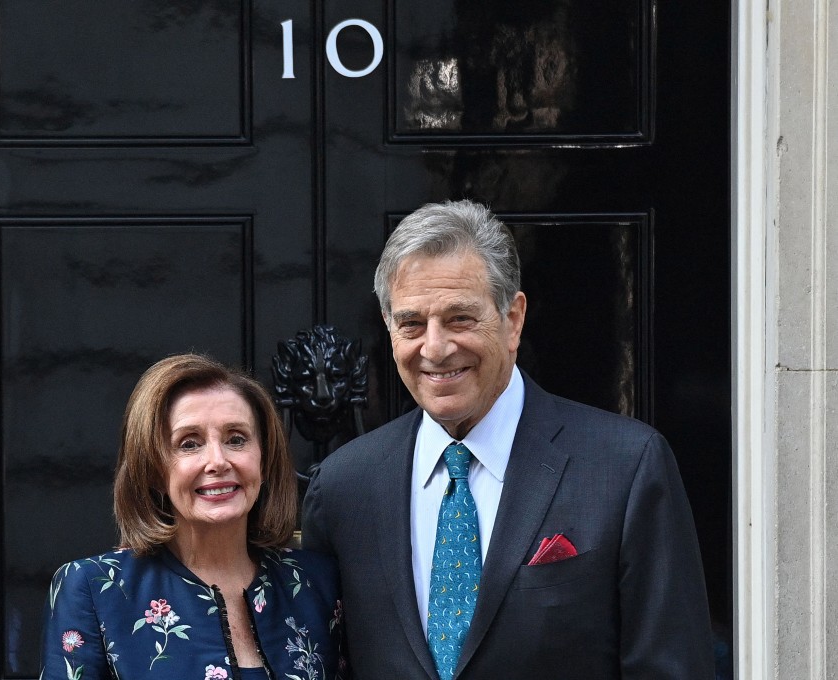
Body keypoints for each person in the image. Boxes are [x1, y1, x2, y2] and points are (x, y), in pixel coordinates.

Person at [302, 199, 714, 679]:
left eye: (460, 318)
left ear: (513, 319)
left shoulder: (626, 467)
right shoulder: (343, 487)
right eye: (411, 323)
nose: (434, 348)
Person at [41, 354, 346, 680]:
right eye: (189, 444)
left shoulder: (317, 583)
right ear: (154, 471)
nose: (218, 461)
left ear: (264, 458)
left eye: (236, 439)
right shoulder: (94, 589)